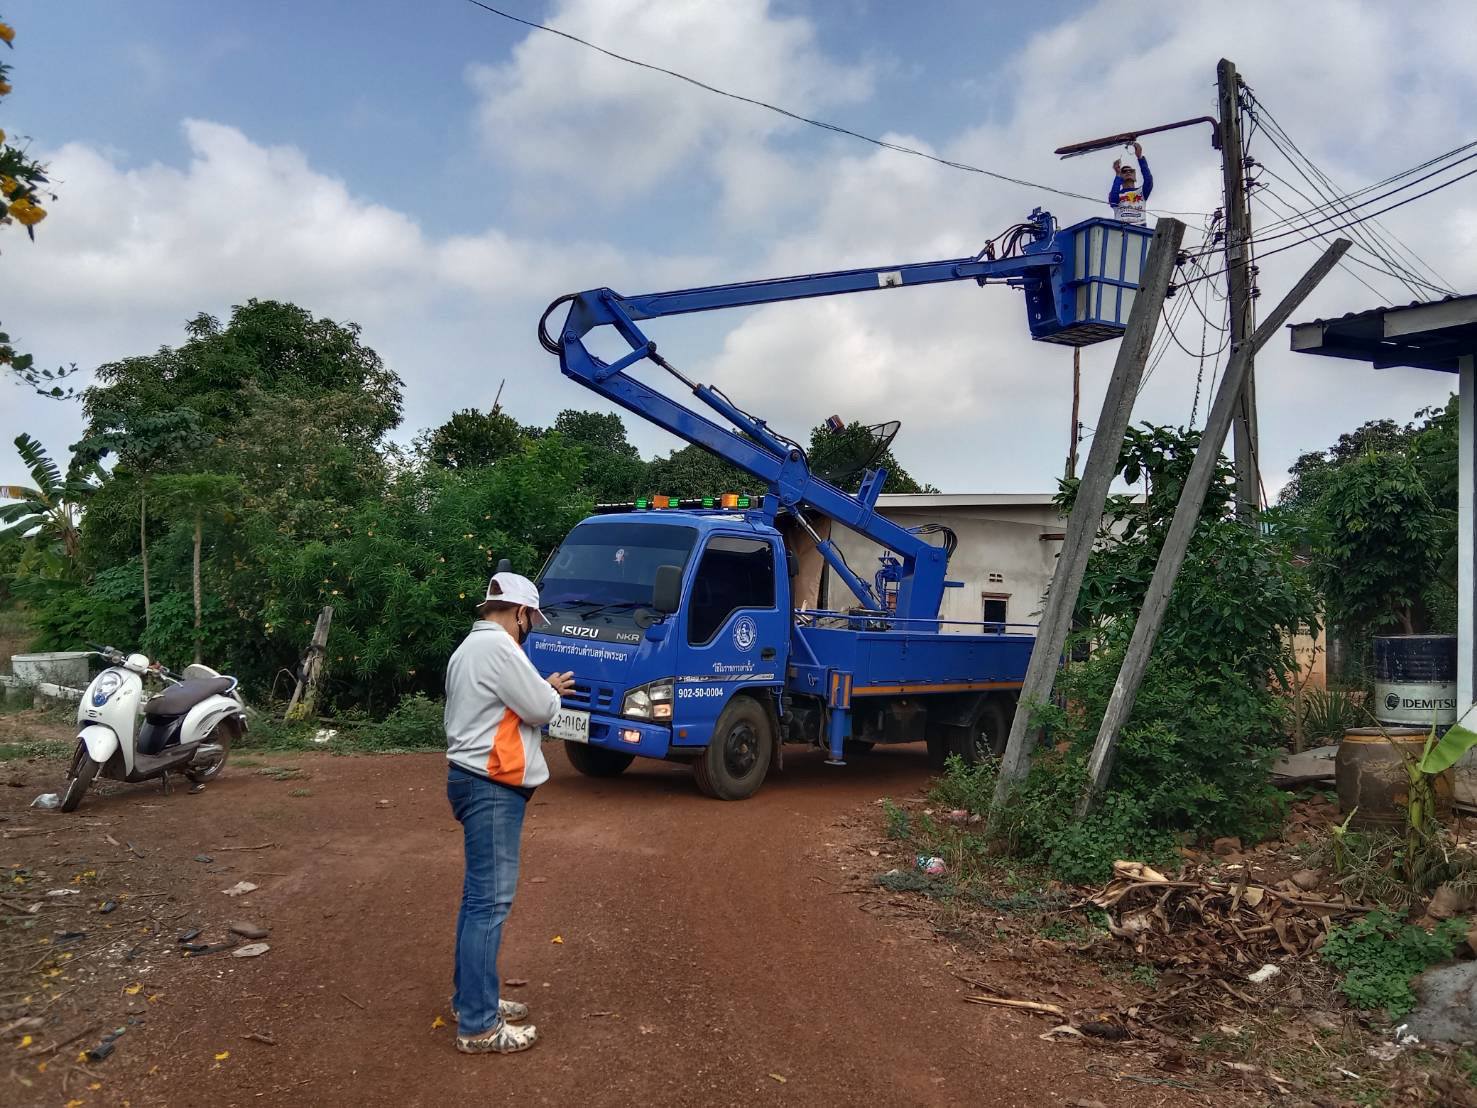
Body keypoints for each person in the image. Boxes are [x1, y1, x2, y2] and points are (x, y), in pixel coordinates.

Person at [444, 571, 574, 1055]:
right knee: (489, 904)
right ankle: (478, 1026)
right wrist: (550, 691)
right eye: (530, 621)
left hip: (469, 777)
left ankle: (471, 1000)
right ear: (520, 613)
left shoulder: (468, 649)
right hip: (492, 784)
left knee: (476, 900)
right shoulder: (501, 649)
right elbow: (540, 708)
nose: (529, 629)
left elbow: (508, 702)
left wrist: (541, 688)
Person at [1109, 141, 1153, 226]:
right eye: (1124, 171)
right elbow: (1113, 201)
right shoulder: (1117, 194)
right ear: (1121, 176)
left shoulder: (1141, 192)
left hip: (1139, 229)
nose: (1128, 172)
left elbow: (1149, 180)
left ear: (1135, 176)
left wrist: (1140, 157)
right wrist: (1117, 174)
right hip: (1121, 229)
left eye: (1131, 171)